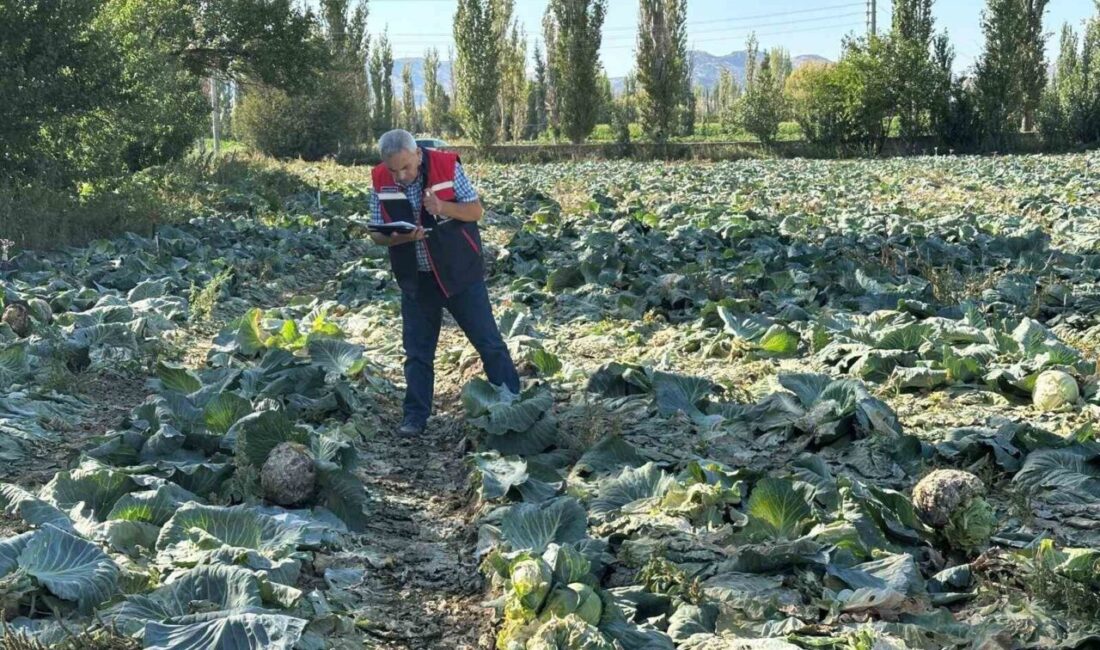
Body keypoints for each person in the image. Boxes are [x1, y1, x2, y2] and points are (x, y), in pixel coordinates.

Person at [367, 129, 521, 437]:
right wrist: (398, 237)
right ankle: (415, 417)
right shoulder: (380, 179)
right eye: (393, 169)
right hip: (416, 278)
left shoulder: (447, 166)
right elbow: (375, 235)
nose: (400, 175)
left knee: (489, 343)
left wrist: (443, 208)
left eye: (406, 167)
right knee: (417, 352)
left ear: (418, 155)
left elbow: (475, 210)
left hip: (459, 272)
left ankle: (513, 404)